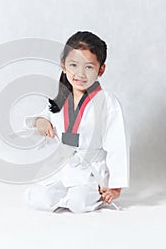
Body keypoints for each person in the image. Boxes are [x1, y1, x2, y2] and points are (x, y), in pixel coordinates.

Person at [23, 31, 130, 213]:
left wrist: (115, 185)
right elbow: (46, 116)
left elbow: (118, 144)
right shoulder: (60, 100)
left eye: (89, 67)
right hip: (62, 165)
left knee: (79, 203)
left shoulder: (107, 102)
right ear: (63, 66)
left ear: (101, 69)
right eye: (73, 65)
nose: (80, 73)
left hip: (90, 168)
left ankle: (88, 194)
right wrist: (40, 121)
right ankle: (64, 197)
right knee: (37, 198)